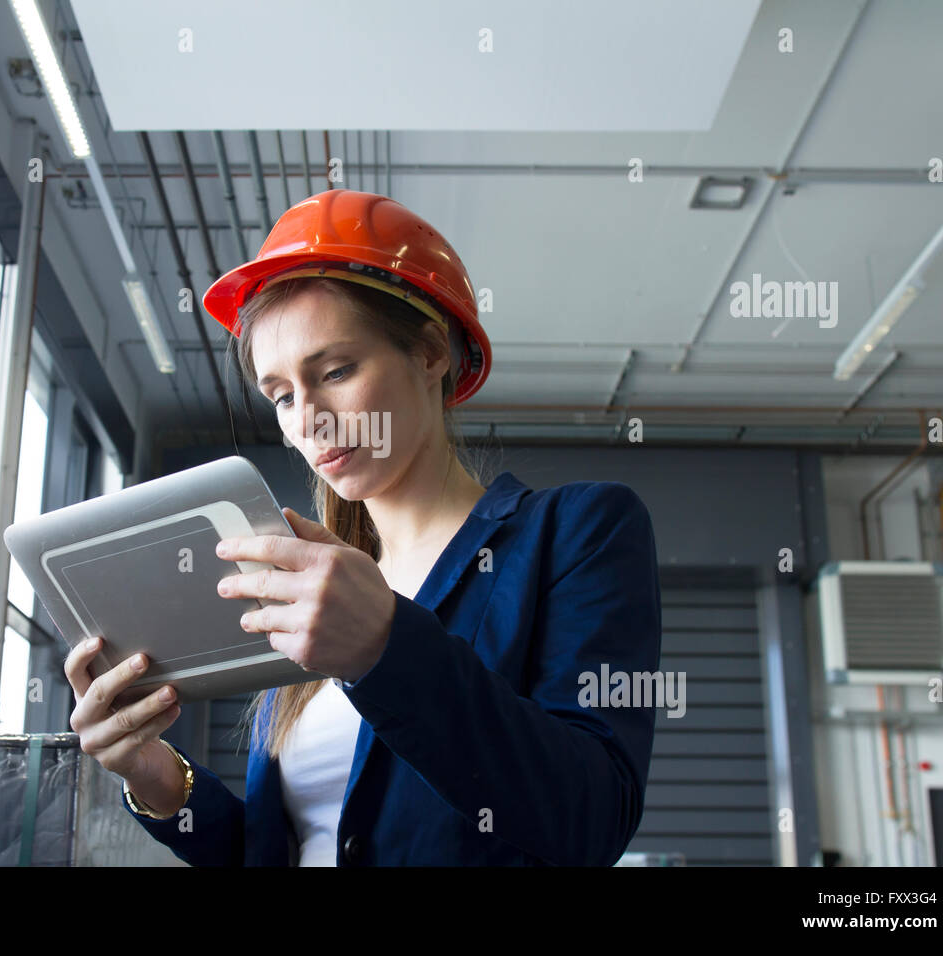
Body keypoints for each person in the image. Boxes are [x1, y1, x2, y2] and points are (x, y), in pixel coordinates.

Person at [64, 189, 662, 866]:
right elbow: (274, 850)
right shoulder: (306, 586)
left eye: (337, 371)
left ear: (432, 352)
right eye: (282, 395)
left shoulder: (578, 532)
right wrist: (160, 780)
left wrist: (384, 646)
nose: (307, 419)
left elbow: (591, 819)